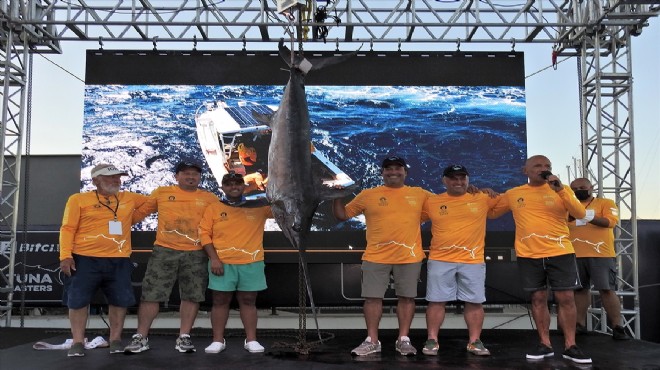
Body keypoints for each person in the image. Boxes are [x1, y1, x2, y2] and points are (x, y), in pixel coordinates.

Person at [489, 155, 592, 364]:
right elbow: (491, 213)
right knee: (538, 299)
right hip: (529, 254)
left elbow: (580, 212)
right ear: (524, 171)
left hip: (560, 252)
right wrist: (486, 194)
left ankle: (570, 345)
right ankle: (544, 344)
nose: (543, 169)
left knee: (566, 299)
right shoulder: (514, 193)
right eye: (538, 165)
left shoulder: (561, 190)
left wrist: (561, 189)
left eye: (547, 166)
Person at [333, 155, 432, 356]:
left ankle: (403, 340)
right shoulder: (368, 195)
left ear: (406, 172)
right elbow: (342, 215)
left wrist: (475, 193)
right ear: (382, 172)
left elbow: (445, 204)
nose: (393, 172)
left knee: (407, 298)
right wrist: (337, 196)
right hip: (375, 256)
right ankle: (372, 340)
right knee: (372, 299)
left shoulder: (420, 194)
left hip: (409, 257)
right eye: (388, 168)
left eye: (398, 168)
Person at [124, 160, 219, 354]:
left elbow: (222, 222)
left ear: (200, 177)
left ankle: (184, 337)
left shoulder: (210, 198)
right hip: (164, 251)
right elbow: (138, 214)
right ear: (176, 176)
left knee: (192, 295)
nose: (191, 176)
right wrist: (110, 222)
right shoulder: (162, 193)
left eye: (195, 173)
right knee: (151, 294)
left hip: (196, 253)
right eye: (186, 173)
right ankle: (141, 337)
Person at [59, 163, 148, 357]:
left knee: (119, 301)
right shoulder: (78, 199)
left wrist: (133, 218)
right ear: (95, 181)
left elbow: (151, 204)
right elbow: (67, 228)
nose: (116, 180)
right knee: (78, 302)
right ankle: (77, 341)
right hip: (84, 259)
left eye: (118, 177)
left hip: (119, 259)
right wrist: (65, 255)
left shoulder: (129, 197)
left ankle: (115, 340)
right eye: (110, 177)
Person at [422, 164, 499, 357]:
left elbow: (510, 201)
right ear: (444, 181)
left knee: (474, 302)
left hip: (472, 261)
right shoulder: (431, 201)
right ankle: (432, 340)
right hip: (440, 259)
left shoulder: (482, 198)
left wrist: (491, 192)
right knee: (436, 301)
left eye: (462, 178)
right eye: (453, 178)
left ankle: (475, 342)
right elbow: (409, 219)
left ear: (468, 180)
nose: (458, 182)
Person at [199, 172, 273, 354]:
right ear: (223, 187)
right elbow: (204, 234)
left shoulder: (260, 207)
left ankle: (251, 340)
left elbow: (285, 209)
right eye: (229, 184)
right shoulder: (213, 208)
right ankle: (217, 340)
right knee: (220, 300)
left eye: (237, 184)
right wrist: (214, 258)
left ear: (244, 186)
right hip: (221, 263)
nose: (234, 187)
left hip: (252, 262)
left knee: (248, 301)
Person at [568, 177, 631, 340]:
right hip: (574, 254)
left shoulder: (606, 203)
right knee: (580, 290)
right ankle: (580, 325)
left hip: (601, 254)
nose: (578, 191)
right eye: (574, 189)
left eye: (582, 187)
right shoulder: (568, 206)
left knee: (606, 289)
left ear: (591, 187)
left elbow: (609, 222)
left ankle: (617, 326)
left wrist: (584, 216)